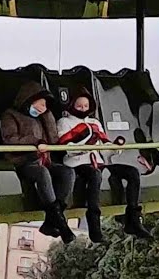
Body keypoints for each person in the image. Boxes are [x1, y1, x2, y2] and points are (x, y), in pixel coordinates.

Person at [57, 85, 153, 240]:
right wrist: (84, 147)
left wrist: (116, 147)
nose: (83, 109)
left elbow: (104, 145)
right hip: (76, 163)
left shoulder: (95, 122)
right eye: (79, 105)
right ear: (72, 106)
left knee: (132, 172)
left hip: (99, 162)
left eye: (86, 106)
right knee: (94, 176)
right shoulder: (64, 122)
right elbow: (65, 147)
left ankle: (133, 218)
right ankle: (94, 226)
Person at [0, 81, 74, 243]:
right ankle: (61, 223)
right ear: (29, 101)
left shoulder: (42, 118)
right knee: (42, 173)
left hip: (44, 160)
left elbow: (53, 140)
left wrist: (47, 116)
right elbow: (10, 139)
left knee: (66, 172)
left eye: (45, 105)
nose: (42, 107)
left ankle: (51, 220)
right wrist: (35, 142)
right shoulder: (10, 115)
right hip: (23, 161)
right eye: (40, 104)